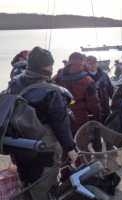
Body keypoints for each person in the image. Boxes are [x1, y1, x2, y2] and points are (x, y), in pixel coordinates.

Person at [7, 46, 78, 200]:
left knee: (25, 184)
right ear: (46, 67)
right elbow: (60, 123)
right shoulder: (51, 91)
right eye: (51, 65)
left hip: (18, 145)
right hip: (44, 148)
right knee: (42, 188)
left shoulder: (15, 83)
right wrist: (70, 148)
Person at [52, 52, 102, 180]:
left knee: (65, 147)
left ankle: (64, 175)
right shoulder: (87, 79)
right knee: (82, 148)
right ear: (82, 61)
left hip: (61, 120)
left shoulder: (56, 77)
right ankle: (85, 175)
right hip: (80, 120)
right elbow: (94, 103)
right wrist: (97, 121)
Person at [86, 55, 115, 122]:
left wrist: (115, 105)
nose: (93, 65)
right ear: (86, 64)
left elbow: (111, 91)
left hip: (105, 109)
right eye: (90, 63)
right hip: (91, 112)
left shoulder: (104, 74)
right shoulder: (85, 77)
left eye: (94, 63)